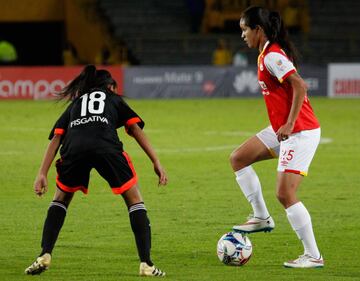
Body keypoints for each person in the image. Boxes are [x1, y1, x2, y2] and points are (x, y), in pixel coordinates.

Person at [24, 65, 167, 277]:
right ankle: (146, 263)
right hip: (105, 147)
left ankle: (44, 254)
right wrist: (156, 161)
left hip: (74, 149)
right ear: (110, 86)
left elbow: (57, 136)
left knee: (61, 199)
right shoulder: (113, 98)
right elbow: (135, 129)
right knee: (135, 200)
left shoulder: (76, 103)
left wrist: (41, 173)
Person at [230, 6, 323, 268]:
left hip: (300, 131)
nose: (243, 35)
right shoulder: (264, 54)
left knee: (285, 194)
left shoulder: (272, 55)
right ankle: (261, 216)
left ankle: (313, 255)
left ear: (258, 30)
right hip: (283, 129)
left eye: (245, 29)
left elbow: (300, 85)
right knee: (238, 158)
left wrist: (291, 122)